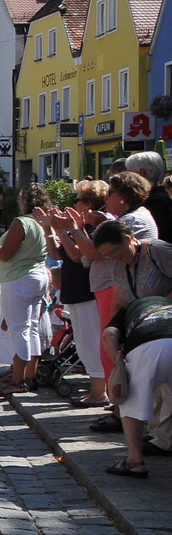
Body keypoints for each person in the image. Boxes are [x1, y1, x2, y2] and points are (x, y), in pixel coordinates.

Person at [41, 183, 111, 408]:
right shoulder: (80, 227)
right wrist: (49, 228)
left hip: (87, 291)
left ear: (88, 203)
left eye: (78, 199)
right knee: (83, 342)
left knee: (91, 342)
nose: (74, 203)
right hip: (75, 290)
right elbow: (57, 254)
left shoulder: (92, 229)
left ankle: (100, 391)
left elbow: (77, 256)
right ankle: (97, 389)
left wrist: (63, 229)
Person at [0, 183, 52, 395]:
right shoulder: (42, 222)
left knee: (19, 330)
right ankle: (29, 375)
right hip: (38, 275)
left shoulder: (22, 222)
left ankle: (18, 381)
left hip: (18, 277)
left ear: (25, 200)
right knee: (32, 328)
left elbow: (6, 254)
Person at [99, 295, 172, 478]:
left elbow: (108, 335)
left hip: (149, 344)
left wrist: (118, 362)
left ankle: (134, 461)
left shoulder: (127, 309)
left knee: (130, 401)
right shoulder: (167, 306)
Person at [122, 152, 172, 241]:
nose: (126, 178)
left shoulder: (153, 201)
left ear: (141, 173)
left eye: (129, 173)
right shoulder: (162, 196)